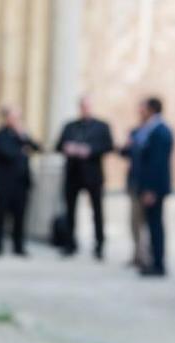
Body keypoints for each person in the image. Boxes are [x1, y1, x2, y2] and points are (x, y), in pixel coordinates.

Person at [56, 96, 114, 259]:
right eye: (82, 107)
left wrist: (89, 150)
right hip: (73, 174)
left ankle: (99, 245)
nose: (85, 109)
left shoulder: (102, 126)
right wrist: (68, 148)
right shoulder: (70, 126)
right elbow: (58, 145)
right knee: (70, 211)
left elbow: (108, 146)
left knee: (97, 211)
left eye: (87, 106)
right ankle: (70, 244)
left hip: (93, 175)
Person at [0, 105, 41, 257]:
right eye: (13, 117)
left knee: (20, 216)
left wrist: (23, 137)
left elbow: (37, 147)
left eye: (18, 117)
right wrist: (22, 150)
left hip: (22, 182)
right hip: (5, 183)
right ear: (6, 118)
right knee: (1, 216)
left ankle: (18, 246)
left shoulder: (23, 135)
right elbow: (7, 153)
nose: (15, 120)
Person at [135, 97, 174, 277]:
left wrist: (150, 189)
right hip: (152, 186)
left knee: (155, 225)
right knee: (152, 224)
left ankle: (158, 263)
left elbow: (156, 163)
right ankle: (154, 260)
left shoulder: (159, 131)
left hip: (154, 188)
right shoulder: (153, 130)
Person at [119, 106, 148, 268]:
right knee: (134, 222)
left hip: (146, 185)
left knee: (145, 223)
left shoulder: (154, 132)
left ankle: (146, 256)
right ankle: (137, 254)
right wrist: (126, 146)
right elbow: (126, 153)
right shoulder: (135, 131)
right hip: (134, 183)